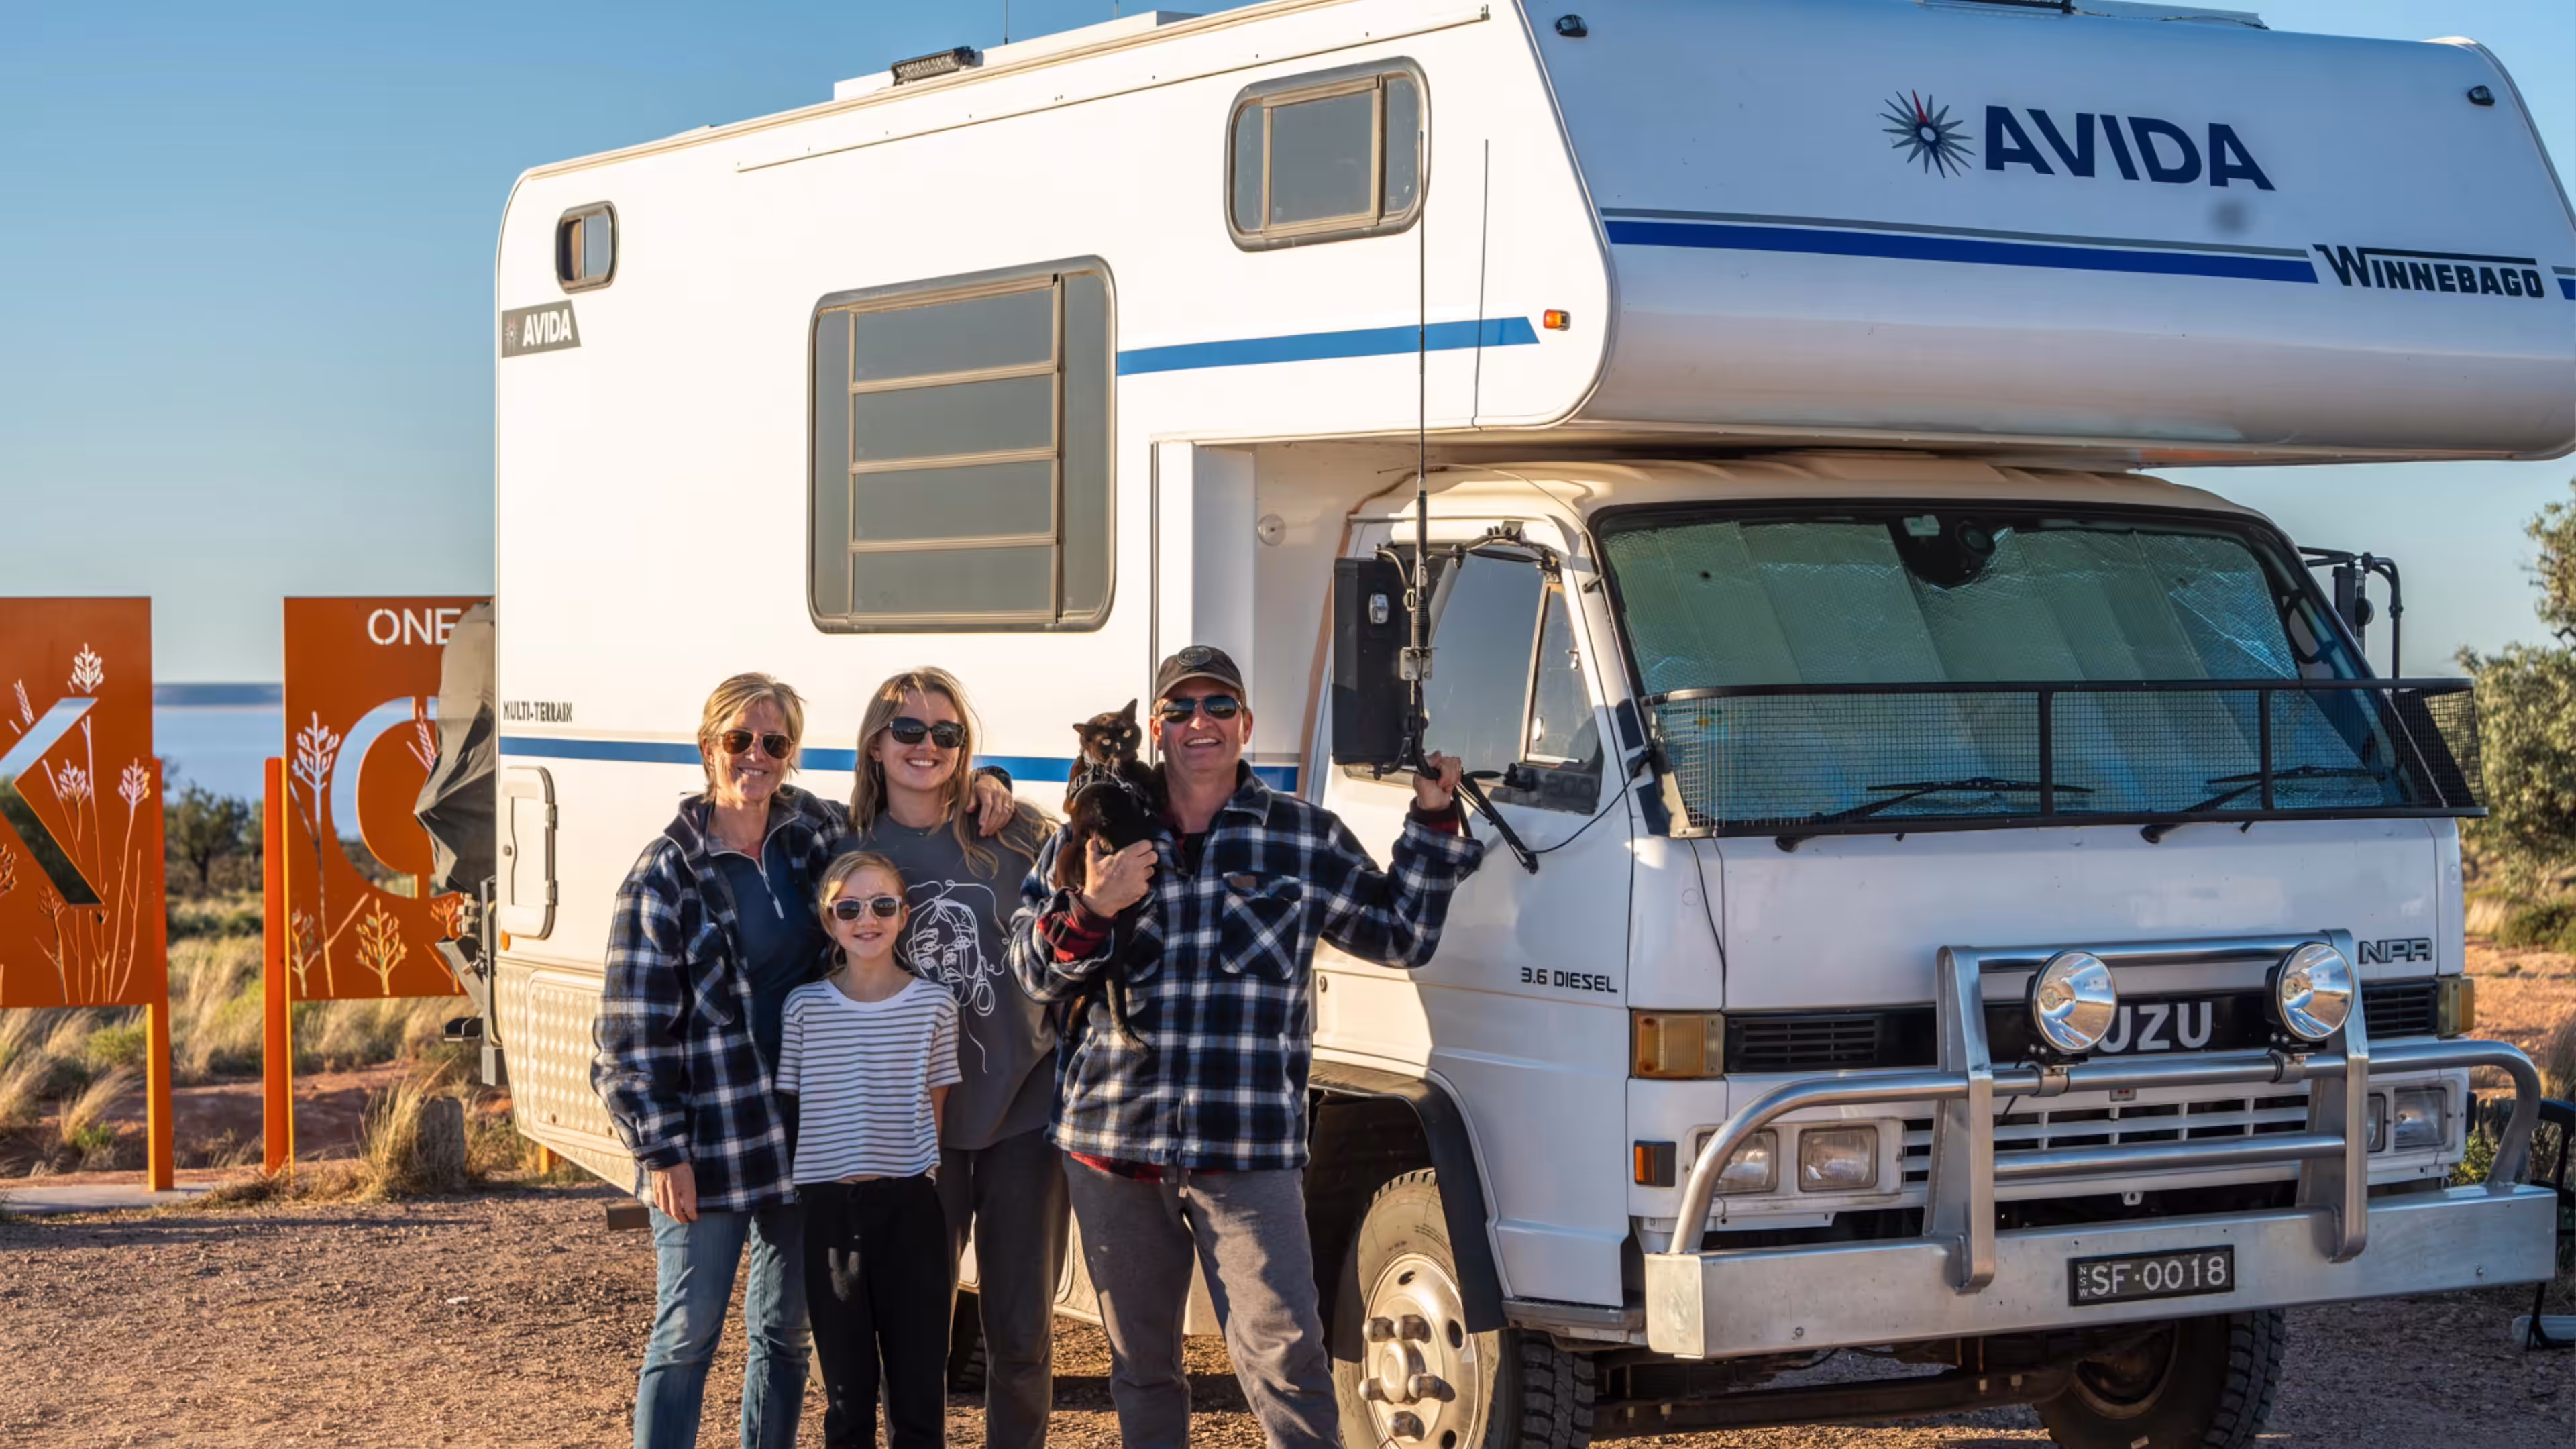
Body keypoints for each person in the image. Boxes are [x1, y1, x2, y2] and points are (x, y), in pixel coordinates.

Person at [1006, 645, 1482, 1449]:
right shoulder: (1093, 832)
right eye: (1182, 710)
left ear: (1246, 725)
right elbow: (1030, 970)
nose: (1201, 724)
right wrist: (1093, 903)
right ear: (1156, 730)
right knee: (1143, 1369)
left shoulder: (1300, 836)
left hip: (1249, 1152)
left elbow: (1401, 933)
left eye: (1219, 707)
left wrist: (1434, 819)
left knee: (1286, 1362)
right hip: (1113, 1147)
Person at [594, 673, 838, 1449]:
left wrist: (989, 788)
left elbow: (907, 805)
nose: (756, 755)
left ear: (790, 754)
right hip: (710, 1138)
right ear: (708, 751)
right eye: (739, 740)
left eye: (773, 742)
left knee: (784, 1335)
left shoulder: (813, 837)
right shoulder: (665, 872)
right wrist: (659, 1150)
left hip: (802, 1133)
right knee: (687, 1335)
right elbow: (630, 1033)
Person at [841, 668, 1064, 1449]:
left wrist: (999, 787)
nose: (927, 747)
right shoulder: (849, 852)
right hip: (911, 1129)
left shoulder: (1013, 832)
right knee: (912, 1334)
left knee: (1021, 1333)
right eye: (908, 730)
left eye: (947, 734)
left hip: (1022, 1114)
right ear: (876, 743)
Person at [780, 851, 963, 1449]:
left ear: (904, 915)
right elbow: (797, 1107)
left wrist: (916, 1174)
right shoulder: (803, 1008)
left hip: (912, 1210)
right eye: (849, 908)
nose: (867, 919)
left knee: (917, 1400)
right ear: (829, 921)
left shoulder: (935, 1005)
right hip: (832, 1213)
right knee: (847, 1400)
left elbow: (932, 1109)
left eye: (883, 905)